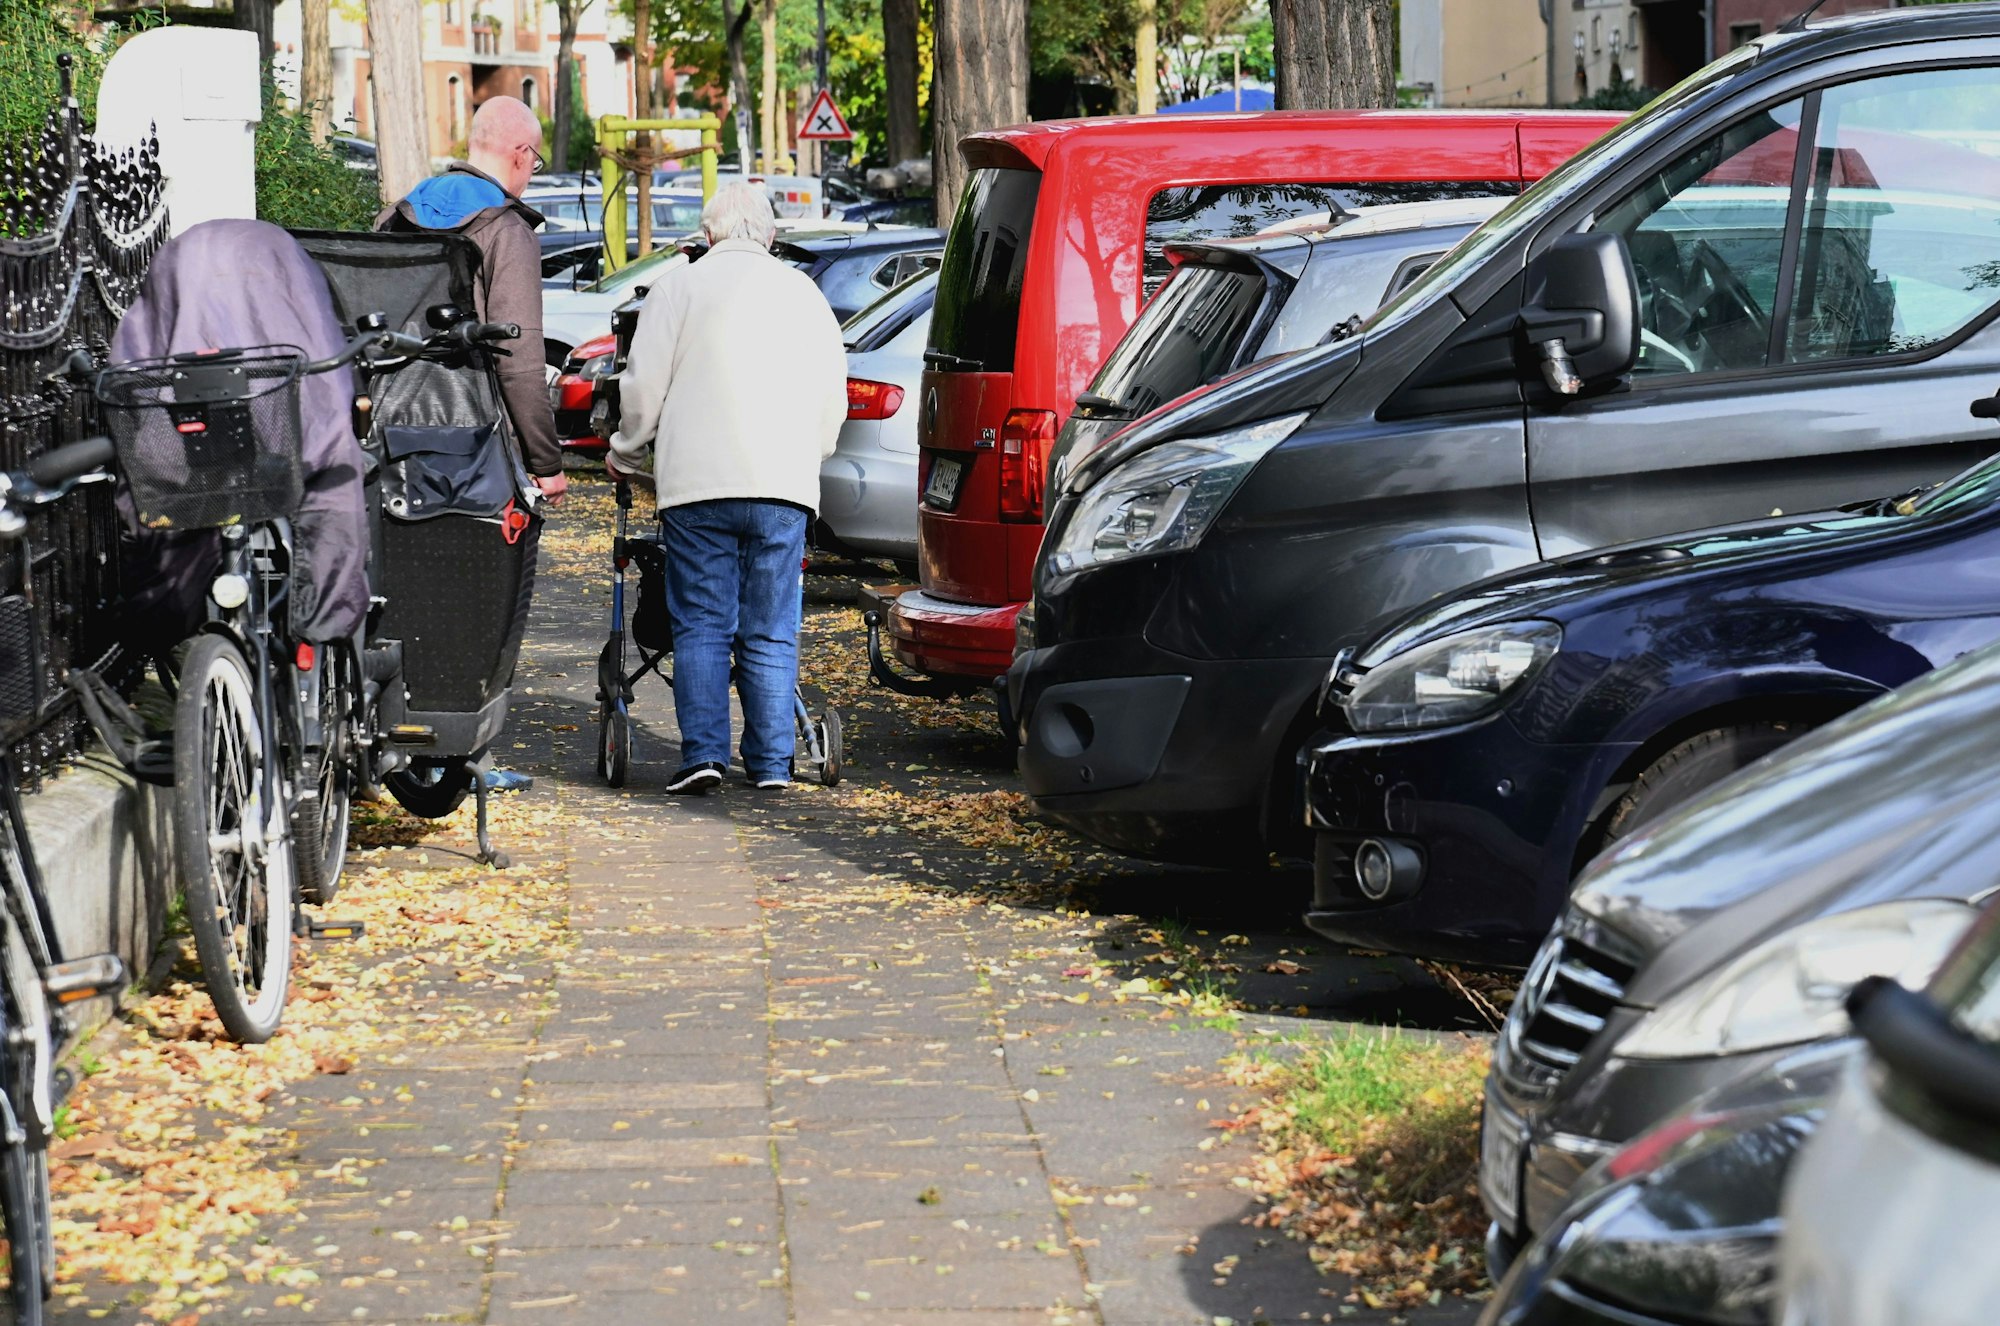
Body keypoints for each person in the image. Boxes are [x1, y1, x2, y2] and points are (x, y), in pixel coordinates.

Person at [607, 182, 846, 794]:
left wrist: (626, 452)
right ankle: (771, 764)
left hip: (698, 485)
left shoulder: (677, 288)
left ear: (707, 235)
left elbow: (642, 388)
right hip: (782, 484)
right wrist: (808, 453)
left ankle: (703, 756)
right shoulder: (804, 292)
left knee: (703, 625)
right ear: (769, 234)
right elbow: (831, 394)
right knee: (770, 626)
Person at [376, 95, 566, 505]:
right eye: (535, 163)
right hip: (479, 449)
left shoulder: (394, 218)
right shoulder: (508, 230)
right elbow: (518, 361)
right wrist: (546, 464)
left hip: (390, 442)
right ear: (521, 154)